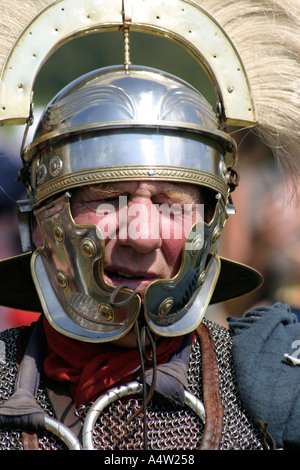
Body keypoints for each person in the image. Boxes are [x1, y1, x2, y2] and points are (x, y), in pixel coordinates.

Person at [0, 0, 300, 451]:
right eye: (107, 200)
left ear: (212, 223)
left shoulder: (273, 381)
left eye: (169, 204)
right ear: (42, 222)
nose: (143, 235)